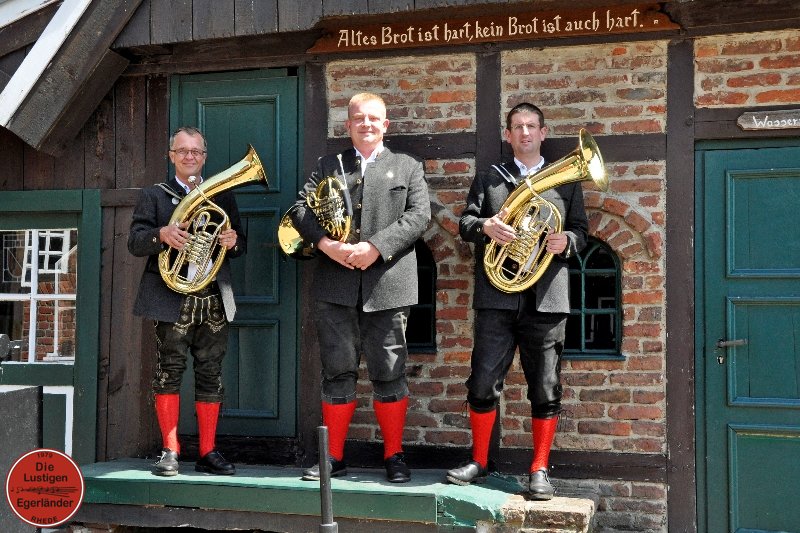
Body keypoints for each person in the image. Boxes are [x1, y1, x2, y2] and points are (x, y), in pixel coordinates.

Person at [447, 103, 588, 500]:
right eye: (517, 127)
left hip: (547, 298)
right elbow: (465, 224)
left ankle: (539, 468)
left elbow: (581, 231)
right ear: (507, 135)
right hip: (497, 299)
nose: (525, 132)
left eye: (531, 126)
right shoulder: (490, 178)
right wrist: (486, 226)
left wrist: (566, 241)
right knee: (482, 382)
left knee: (545, 386)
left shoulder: (566, 182)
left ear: (543, 132)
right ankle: (479, 460)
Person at [291, 92, 430, 483]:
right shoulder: (328, 165)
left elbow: (420, 217)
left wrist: (376, 248)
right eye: (358, 118)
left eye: (373, 118)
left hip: (389, 284)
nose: (365, 124)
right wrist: (327, 245)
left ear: (385, 125)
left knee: (390, 372)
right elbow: (300, 210)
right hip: (335, 285)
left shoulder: (407, 166)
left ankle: (394, 456)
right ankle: (333, 458)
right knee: (337, 372)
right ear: (348, 125)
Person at [128, 126, 246, 477]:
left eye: (196, 151)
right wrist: (161, 234)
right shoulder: (154, 195)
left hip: (213, 296)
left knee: (211, 373)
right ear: (172, 156)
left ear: (204, 157)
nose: (189, 156)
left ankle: (208, 451)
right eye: (183, 151)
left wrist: (232, 241)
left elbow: (241, 244)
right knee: (169, 371)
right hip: (171, 298)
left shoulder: (221, 195)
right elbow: (135, 242)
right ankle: (170, 450)